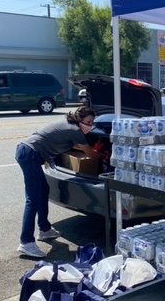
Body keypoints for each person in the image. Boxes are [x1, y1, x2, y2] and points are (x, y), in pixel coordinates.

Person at [15, 106, 104, 258]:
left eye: (92, 122)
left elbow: (75, 146)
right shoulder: (75, 130)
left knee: (43, 191)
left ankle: (44, 229)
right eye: (88, 122)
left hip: (27, 151)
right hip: (31, 154)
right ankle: (26, 242)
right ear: (79, 119)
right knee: (33, 199)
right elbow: (88, 152)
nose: (90, 125)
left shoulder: (68, 125)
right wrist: (107, 156)